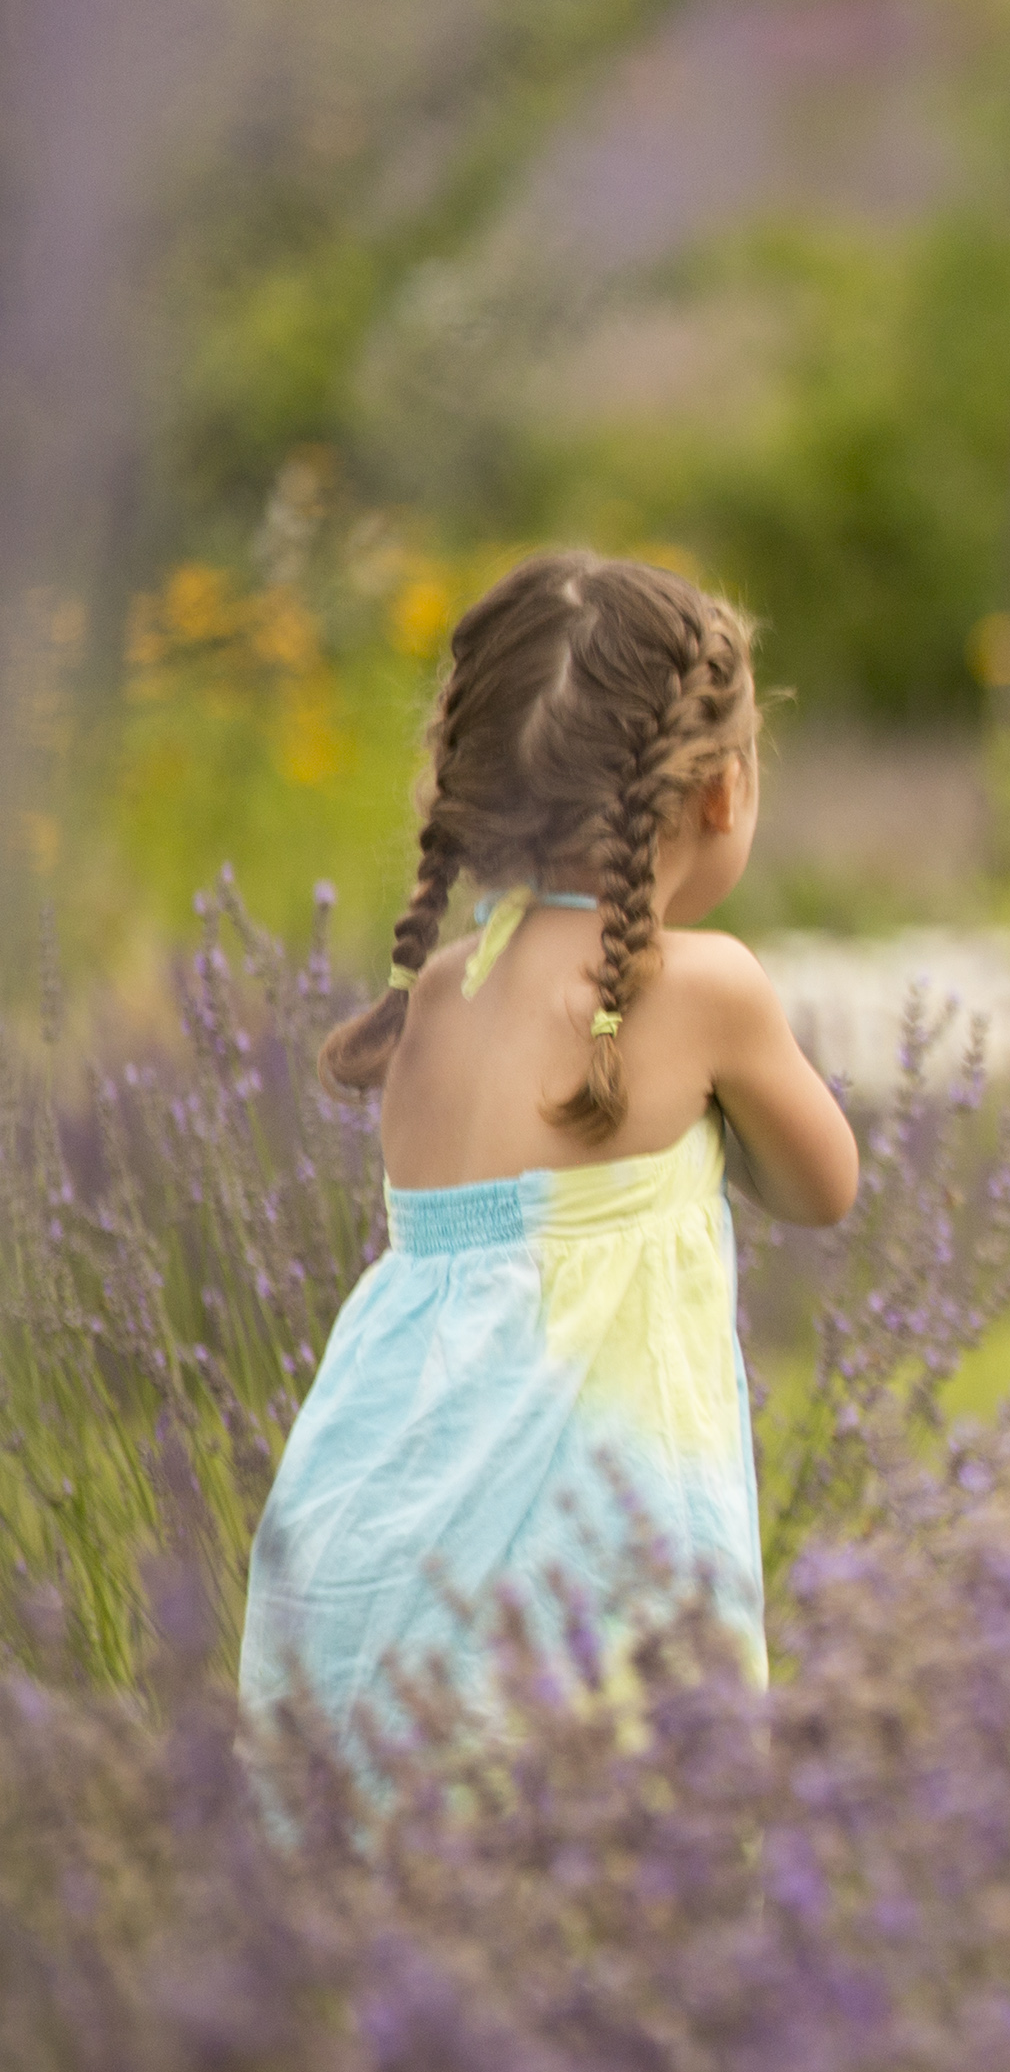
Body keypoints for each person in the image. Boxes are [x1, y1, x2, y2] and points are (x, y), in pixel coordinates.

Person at [241, 551, 859, 1745]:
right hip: (591, 1559)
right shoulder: (700, 986)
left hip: (376, 1538)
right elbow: (823, 1187)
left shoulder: (435, 993)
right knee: (616, 1865)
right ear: (723, 792)